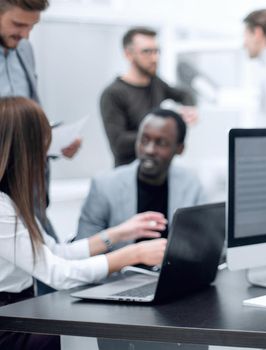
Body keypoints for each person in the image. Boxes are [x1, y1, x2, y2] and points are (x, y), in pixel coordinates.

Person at [0, 96, 168, 349]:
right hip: (9, 325)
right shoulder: (2, 209)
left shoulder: (13, 200)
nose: (46, 157)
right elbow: (56, 273)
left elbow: (55, 252)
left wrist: (119, 233)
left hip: (20, 311)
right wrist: (132, 254)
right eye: (43, 147)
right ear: (25, 149)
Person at [0, 0, 81, 240]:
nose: (25, 35)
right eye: (18, 24)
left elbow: (28, 113)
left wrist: (52, 141)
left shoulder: (24, 49)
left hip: (29, 184)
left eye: (32, 27)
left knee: (45, 258)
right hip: (3, 184)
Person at [76, 108, 206, 249]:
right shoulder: (104, 186)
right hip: (121, 269)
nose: (149, 150)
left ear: (179, 149)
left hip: (172, 270)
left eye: (161, 143)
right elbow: (84, 251)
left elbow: (205, 242)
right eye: (144, 140)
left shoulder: (191, 184)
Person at [100, 26, 197, 167]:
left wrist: (190, 109)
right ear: (128, 54)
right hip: (128, 175)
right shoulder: (113, 94)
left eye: (156, 51)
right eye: (147, 52)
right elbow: (118, 144)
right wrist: (162, 134)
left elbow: (185, 94)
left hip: (159, 172)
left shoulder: (156, 84)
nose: (154, 58)